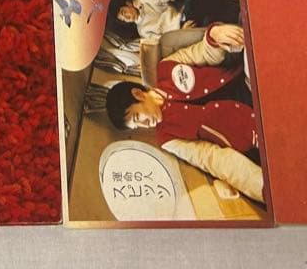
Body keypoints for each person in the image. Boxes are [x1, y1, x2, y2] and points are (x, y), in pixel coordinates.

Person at [104, 23, 262, 202]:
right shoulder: (167, 138)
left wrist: (214, 35)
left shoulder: (166, 68)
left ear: (138, 94)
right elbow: (211, 158)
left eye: (137, 117)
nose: (144, 125)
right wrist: (259, 187)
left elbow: (203, 53)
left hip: (248, 82)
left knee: (256, 39)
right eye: (137, 126)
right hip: (253, 132)